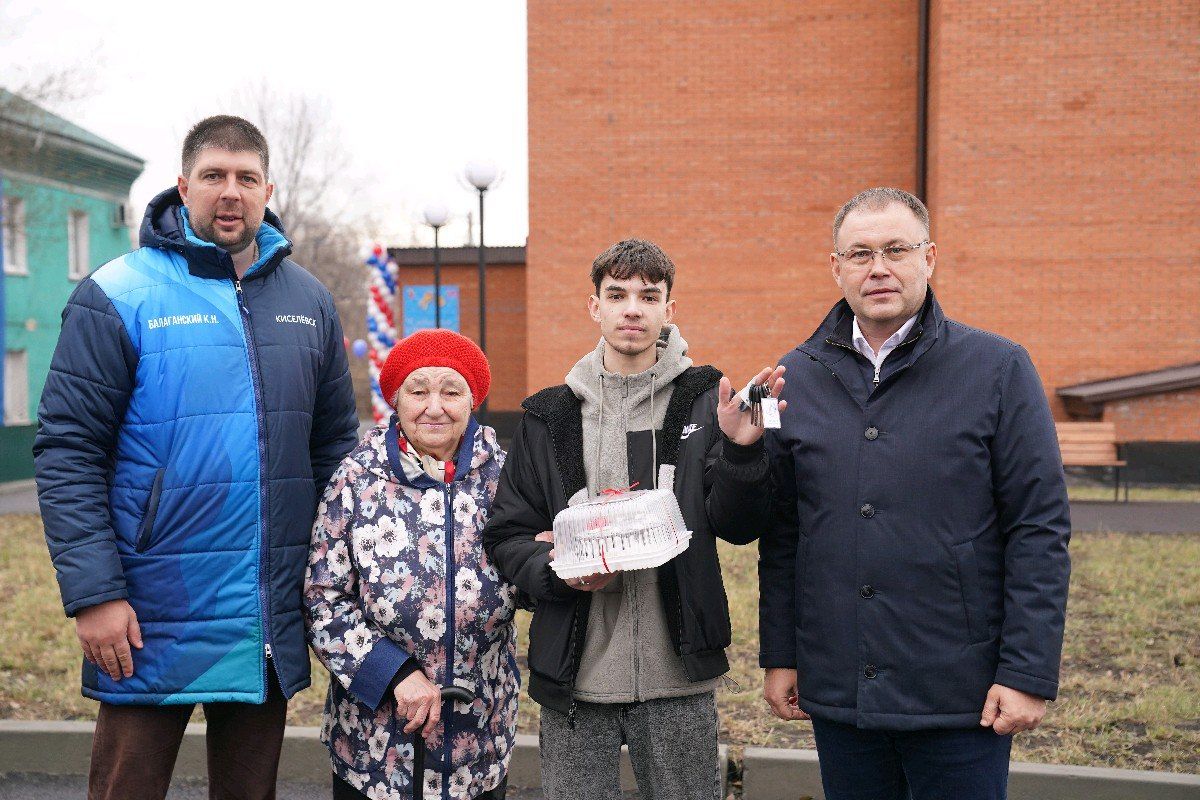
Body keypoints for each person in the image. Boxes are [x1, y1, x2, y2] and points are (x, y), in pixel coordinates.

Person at [33, 115, 358, 800]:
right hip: (147, 616)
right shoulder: (116, 293)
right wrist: (95, 594)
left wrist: (340, 576)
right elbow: (68, 451)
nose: (230, 192)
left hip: (265, 615)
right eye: (214, 176)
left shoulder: (308, 301)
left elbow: (334, 451)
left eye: (246, 178)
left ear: (268, 190)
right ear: (183, 187)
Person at [758, 187, 1071, 800]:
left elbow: (1038, 528)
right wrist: (782, 654)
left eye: (896, 250)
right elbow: (785, 534)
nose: (878, 268)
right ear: (836, 268)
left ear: (929, 258)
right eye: (861, 254)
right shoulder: (796, 377)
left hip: (959, 692)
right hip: (841, 687)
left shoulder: (998, 368)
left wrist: (1027, 672)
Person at [483, 239, 784, 800]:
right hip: (576, 679)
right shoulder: (547, 416)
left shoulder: (707, 400)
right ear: (593, 306)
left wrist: (743, 453)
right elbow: (507, 534)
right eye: (617, 294)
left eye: (649, 296)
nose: (632, 309)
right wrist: (555, 567)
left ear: (669, 309)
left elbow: (738, 526)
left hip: (678, 678)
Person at [306, 329, 518, 800]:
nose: (434, 407)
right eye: (419, 391)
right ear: (396, 401)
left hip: (479, 737)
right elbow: (323, 599)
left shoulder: (505, 477)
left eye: (451, 392)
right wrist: (394, 673)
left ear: (473, 400)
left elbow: (528, 574)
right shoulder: (355, 479)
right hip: (374, 743)